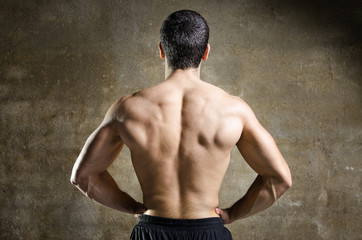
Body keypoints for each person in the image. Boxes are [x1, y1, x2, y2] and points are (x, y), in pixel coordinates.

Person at [70, 10, 292, 240]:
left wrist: (133, 207)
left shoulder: (128, 109)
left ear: (161, 50)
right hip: (209, 231)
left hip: (152, 231)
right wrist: (232, 214)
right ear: (206, 52)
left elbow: (83, 176)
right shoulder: (234, 110)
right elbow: (280, 178)